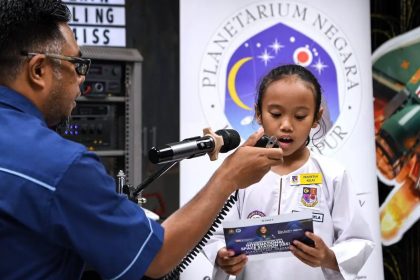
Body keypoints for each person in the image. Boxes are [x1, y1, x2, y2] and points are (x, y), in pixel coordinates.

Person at [0, 1, 284, 279]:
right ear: (38, 70)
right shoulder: (61, 166)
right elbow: (156, 258)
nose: (82, 81)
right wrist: (228, 177)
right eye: (77, 64)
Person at [202, 64, 375, 280]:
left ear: (316, 117)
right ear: (258, 113)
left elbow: (358, 240)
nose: (286, 125)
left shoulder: (333, 175)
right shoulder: (240, 173)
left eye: (300, 116)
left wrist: (328, 256)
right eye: (275, 113)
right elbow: (214, 234)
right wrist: (222, 255)